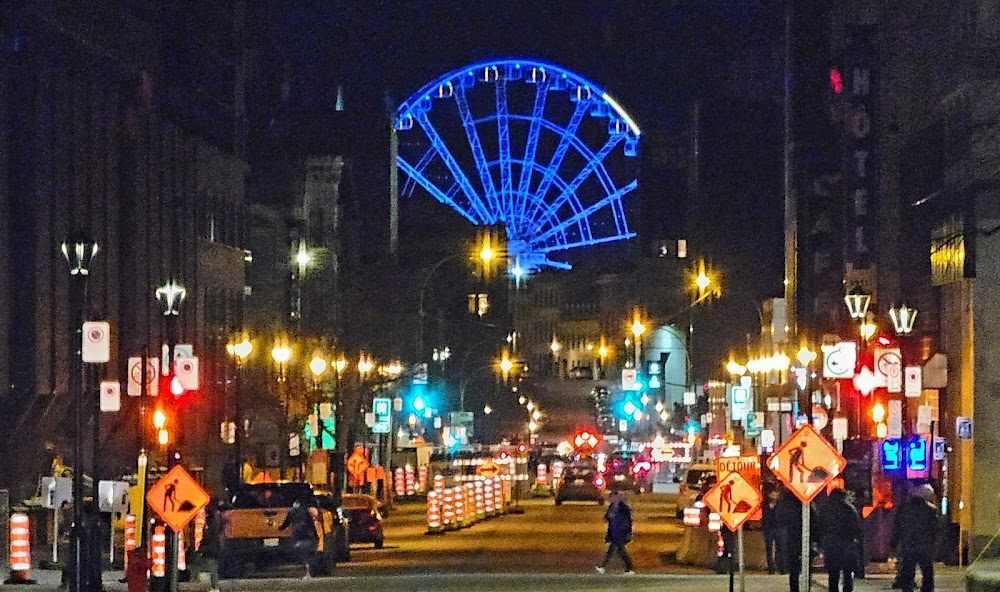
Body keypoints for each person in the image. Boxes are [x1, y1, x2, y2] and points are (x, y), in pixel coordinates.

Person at [892, 484, 939, 592]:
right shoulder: (931, 510)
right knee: (927, 573)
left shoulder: (904, 509)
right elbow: (935, 529)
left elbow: (897, 527)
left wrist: (894, 543)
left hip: (908, 546)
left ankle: (907, 589)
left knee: (907, 572)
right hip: (925, 547)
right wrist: (934, 545)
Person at [819, 488, 863, 592]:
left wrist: (821, 542)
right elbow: (856, 528)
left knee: (833, 574)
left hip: (830, 544)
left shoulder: (825, 509)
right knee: (847, 573)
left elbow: (820, 526)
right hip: (846, 544)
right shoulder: (849, 509)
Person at [596, 491, 635, 575]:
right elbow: (607, 517)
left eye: (613, 497)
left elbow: (628, 521)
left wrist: (627, 532)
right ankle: (629, 568)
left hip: (621, 532)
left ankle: (604, 567)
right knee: (617, 550)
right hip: (614, 532)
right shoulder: (612, 506)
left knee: (616, 550)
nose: (611, 499)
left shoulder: (623, 508)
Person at [279, 498, 319, 579]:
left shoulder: (291, 512)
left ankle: (307, 572)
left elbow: (286, 523)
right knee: (308, 555)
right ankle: (308, 573)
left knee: (303, 555)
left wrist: (280, 529)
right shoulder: (305, 512)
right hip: (306, 536)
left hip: (298, 536)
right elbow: (311, 524)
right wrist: (315, 535)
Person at [195, 501, 223, 592]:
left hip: (210, 547)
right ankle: (213, 586)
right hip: (209, 547)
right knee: (210, 566)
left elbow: (214, 533)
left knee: (211, 565)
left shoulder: (213, 518)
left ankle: (214, 586)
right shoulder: (214, 517)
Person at [762, 484, 785, 574]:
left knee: (780, 548)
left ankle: (781, 567)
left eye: (776, 493)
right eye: (773, 493)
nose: (774, 495)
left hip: (779, 527)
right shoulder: (764, 504)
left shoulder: (781, 504)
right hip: (768, 528)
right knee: (769, 548)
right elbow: (764, 516)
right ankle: (771, 568)